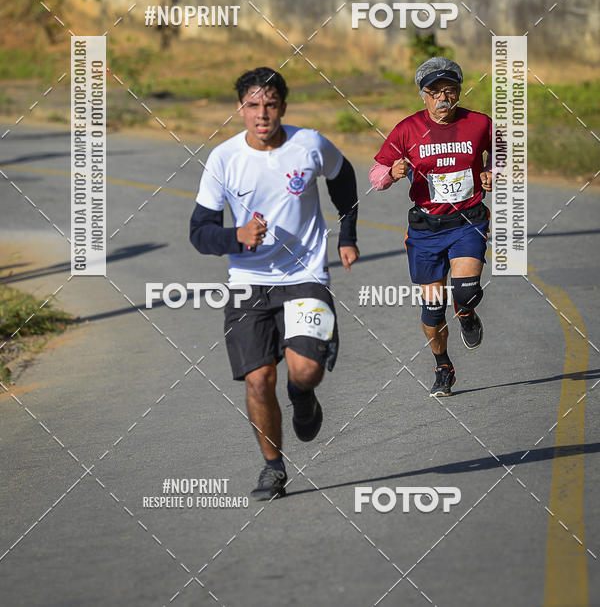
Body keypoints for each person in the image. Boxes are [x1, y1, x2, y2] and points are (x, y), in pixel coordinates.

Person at [190, 67, 360, 499]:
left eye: (269, 104)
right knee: (257, 380)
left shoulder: (310, 145)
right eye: (252, 105)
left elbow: (344, 176)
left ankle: (302, 395)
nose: (261, 114)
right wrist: (236, 237)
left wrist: (348, 234)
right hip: (248, 281)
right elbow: (199, 231)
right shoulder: (223, 159)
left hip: (305, 276)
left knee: (305, 371)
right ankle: (273, 468)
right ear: (240, 109)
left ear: (283, 107)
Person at [369, 57, 492, 397]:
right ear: (423, 95)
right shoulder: (407, 129)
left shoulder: (479, 123)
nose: (443, 99)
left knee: (466, 290)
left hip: (467, 220)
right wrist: (391, 175)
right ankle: (443, 366)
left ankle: (465, 310)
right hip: (426, 228)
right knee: (433, 309)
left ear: (458, 92)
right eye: (434, 92)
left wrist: (491, 170)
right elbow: (376, 173)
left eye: (450, 91)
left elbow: (501, 152)